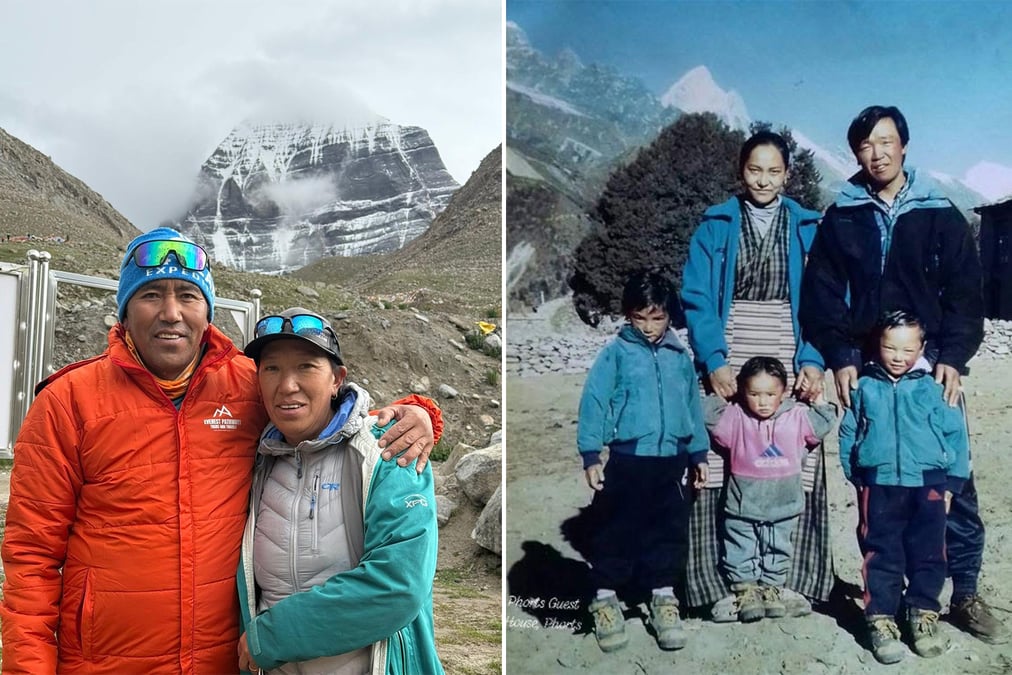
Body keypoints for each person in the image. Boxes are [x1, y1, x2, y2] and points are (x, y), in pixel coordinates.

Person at [0, 228, 439, 674]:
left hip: (221, 660)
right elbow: (31, 555)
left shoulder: (247, 383)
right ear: (125, 312)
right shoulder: (67, 401)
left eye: (188, 296)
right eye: (151, 294)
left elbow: (325, 410)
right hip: (104, 662)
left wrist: (416, 413)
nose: (171, 313)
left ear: (207, 312)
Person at [800, 105, 1008, 645]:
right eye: (866, 145)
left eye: (886, 141)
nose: (878, 153)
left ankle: (964, 593)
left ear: (905, 145)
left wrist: (952, 356)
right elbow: (823, 292)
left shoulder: (939, 212)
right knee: (882, 489)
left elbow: (965, 292)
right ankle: (889, 603)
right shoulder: (842, 215)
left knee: (952, 483)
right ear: (856, 153)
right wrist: (841, 355)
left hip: (931, 361)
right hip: (868, 364)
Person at [235, 308, 442, 674]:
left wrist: (271, 636)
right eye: (272, 368)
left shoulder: (389, 451)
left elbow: (399, 584)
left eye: (306, 366)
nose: (287, 385)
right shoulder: (254, 459)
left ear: (337, 380)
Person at [681, 130, 831, 621]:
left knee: (792, 453)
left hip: (789, 348)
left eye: (774, 171)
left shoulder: (809, 228)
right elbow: (697, 297)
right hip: (731, 345)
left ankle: (786, 583)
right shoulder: (715, 226)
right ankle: (726, 585)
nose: (763, 180)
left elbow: (825, 300)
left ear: (788, 175)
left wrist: (812, 359)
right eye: (754, 170)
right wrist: (714, 359)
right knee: (722, 451)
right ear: (740, 171)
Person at [576, 271, 709, 653]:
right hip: (628, 460)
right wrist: (591, 454)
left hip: (672, 460)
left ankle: (663, 597)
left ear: (669, 317)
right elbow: (594, 401)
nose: (649, 327)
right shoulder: (615, 354)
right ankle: (604, 599)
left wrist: (698, 453)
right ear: (627, 315)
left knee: (667, 530)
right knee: (616, 529)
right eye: (640, 318)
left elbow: (692, 406)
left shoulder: (679, 358)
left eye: (657, 318)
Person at [839, 311, 969, 664]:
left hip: (928, 484)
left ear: (922, 348)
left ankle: (922, 614)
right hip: (879, 484)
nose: (898, 357)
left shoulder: (934, 388)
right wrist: (858, 474)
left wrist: (952, 483)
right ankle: (881, 618)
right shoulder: (864, 387)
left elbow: (956, 434)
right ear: (877, 346)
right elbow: (849, 431)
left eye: (908, 349)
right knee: (881, 551)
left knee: (929, 552)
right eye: (890, 348)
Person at [702, 356, 836, 623]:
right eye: (754, 394)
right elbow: (707, 415)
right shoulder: (736, 417)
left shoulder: (796, 416)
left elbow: (823, 423)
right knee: (740, 546)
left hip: (784, 502)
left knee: (778, 547)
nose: (762, 402)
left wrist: (819, 400)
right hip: (743, 503)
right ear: (743, 391)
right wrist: (722, 393)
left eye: (770, 394)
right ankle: (746, 591)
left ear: (783, 392)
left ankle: (771, 589)